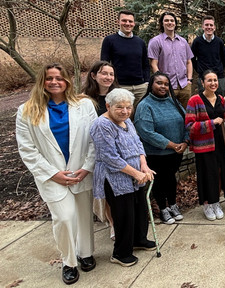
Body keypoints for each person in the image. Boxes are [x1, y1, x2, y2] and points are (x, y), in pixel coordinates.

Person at [16, 63, 97, 285]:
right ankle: (69, 262)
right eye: (49, 78)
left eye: (59, 78)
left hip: (81, 169)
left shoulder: (84, 106)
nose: (54, 82)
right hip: (51, 175)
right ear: (42, 81)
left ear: (67, 81)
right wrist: (53, 174)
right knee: (64, 217)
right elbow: (27, 149)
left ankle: (85, 252)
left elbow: (93, 139)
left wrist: (88, 166)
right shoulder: (26, 111)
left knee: (82, 214)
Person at [91, 88, 156, 267]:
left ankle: (138, 240)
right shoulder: (102, 125)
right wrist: (136, 173)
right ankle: (120, 253)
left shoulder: (127, 121)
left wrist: (144, 165)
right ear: (108, 106)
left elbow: (138, 143)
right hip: (115, 178)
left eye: (128, 107)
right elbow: (109, 157)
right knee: (124, 215)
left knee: (139, 210)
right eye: (120, 107)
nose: (125, 111)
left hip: (136, 176)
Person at [134, 72, 188, 225]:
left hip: (176, 151)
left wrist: (185, 141)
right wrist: (171, 144)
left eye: (166, 84)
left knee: (171, 178)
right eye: (159, 83)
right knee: (159, 181)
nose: (163, 86)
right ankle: (163, 208)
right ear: (151, 84)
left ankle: (173, 204)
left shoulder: (173, 102)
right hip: (156, 153)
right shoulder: (145, 105)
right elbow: (146, 132)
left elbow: (187, 121)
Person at [81, 60, 119, 240]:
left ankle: (118, 220)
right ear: (94, 75)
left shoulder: (118, 96)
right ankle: (112, 223)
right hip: (96, 152)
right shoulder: (83, 100)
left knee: (116, 188)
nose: (108, 77)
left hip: (117, 150)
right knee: (104, 190)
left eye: (111, 74)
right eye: (104, 73)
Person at [186, 70, 225, 220]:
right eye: (209, 80)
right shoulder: (195, 100)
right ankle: (207, 204)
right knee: (206, 174)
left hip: (220, 143)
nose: (213, 83)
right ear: (202, 82)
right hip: (203, 145)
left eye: (215, 80)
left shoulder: (221, 99)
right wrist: (211, 122)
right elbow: (190, 125)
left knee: (217, 173)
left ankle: (216, 201)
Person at [101, 10, 149, 105]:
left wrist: (146, 82)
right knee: (122, 115)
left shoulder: (140, 42)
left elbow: (145, 65)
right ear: (118, 22)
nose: (127, 23)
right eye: (124, 20)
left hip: (141, 87)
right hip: (120, 86)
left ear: (134, 23)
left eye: (130, 21)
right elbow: (104, 64)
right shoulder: (109, 40)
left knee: (140, 116)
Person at [148, 11, 194, 108]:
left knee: (186, 113)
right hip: (167, 86)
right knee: (168, 112)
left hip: (184, 85)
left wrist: (189, 80)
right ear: (162, 23)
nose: (170, 22)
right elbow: (154, 64)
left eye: (172, 20)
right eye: (166, 20)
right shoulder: (155, 42)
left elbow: (189, 62)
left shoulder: (183, 41)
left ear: (175, 23)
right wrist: (161, 82)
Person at [191, 15, 225, 96]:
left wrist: (219, 69)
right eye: (206, 25)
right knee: (204, 102)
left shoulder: (219, 42)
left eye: (211, 25)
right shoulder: (197, 42)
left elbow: (224, 58)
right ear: (203, 27)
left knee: (220, 101)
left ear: (214, 27)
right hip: (203, 76)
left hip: (219, 77)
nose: (209, 27)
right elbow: (192, 58)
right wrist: (200, 69)